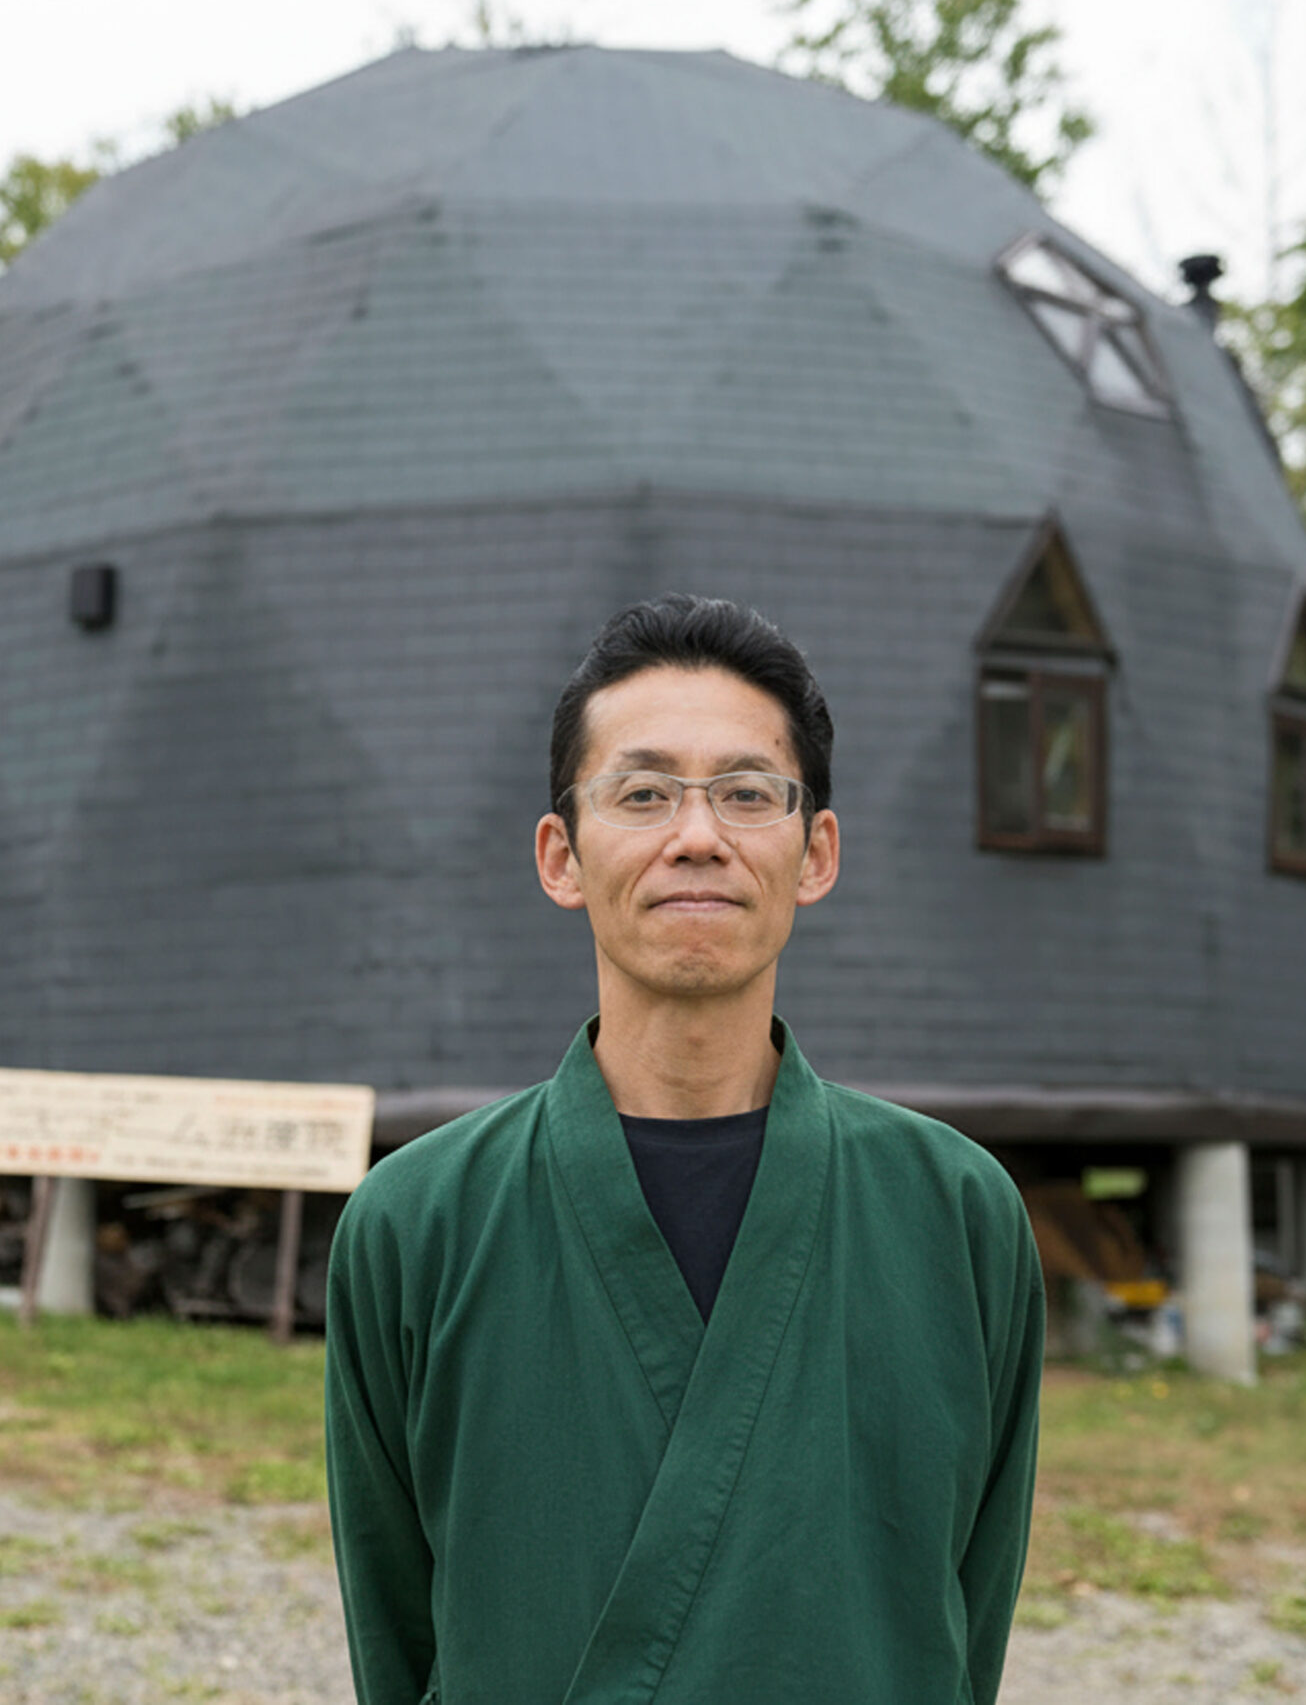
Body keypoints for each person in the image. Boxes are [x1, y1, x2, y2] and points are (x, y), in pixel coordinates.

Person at [324, 594, 1046, 1704]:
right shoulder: (416, 1223)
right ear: (561, 856)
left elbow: (961, 1621)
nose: (696, 836)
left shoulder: (955, 1213)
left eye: (748, 794)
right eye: (643, 793)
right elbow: (396, 1635)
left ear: (816, 853)